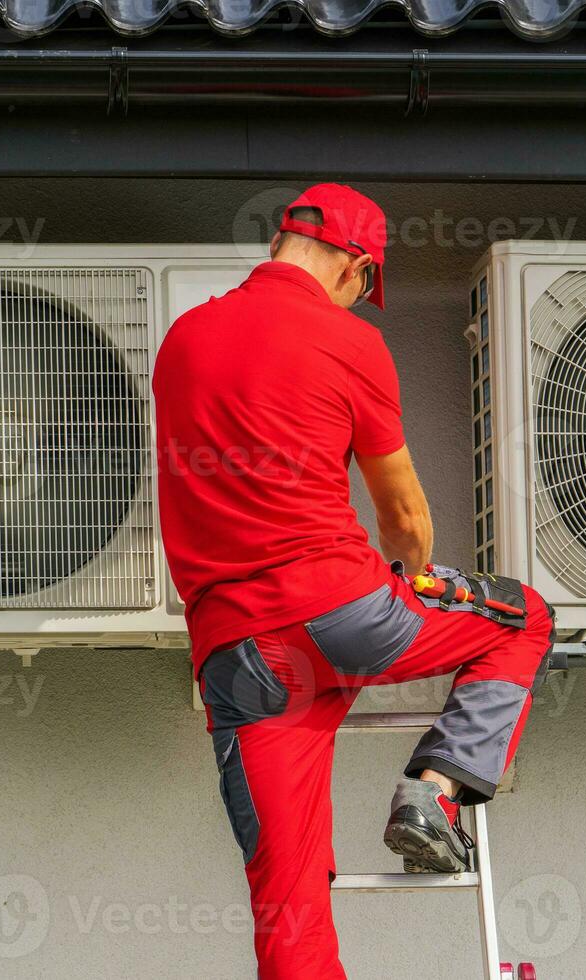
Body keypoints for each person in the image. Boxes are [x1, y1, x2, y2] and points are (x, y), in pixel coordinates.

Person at [152, 183, 555, 979]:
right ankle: (432, 794)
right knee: (525, 619)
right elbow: (401, 512)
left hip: (239, 658)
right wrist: (415, 576)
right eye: (368, 285)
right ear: (355, 265)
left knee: (287, 897)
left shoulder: (183, 337)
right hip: (343, 614)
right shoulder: (349, 342)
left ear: (280, 244)